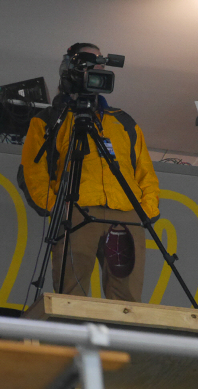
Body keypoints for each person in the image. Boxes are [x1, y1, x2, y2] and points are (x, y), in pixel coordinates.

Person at [18, 42, 159, 302]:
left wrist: (145, 211)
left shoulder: (123, 121)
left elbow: (145, 173)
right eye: (87, 63)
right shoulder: (49, 119)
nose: (95, 69)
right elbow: (32, 170)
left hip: (126, 214)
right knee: (72, 296)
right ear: (69, 68)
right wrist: (56, 207)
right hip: (75, 209)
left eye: (99, 64)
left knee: (127, 300)